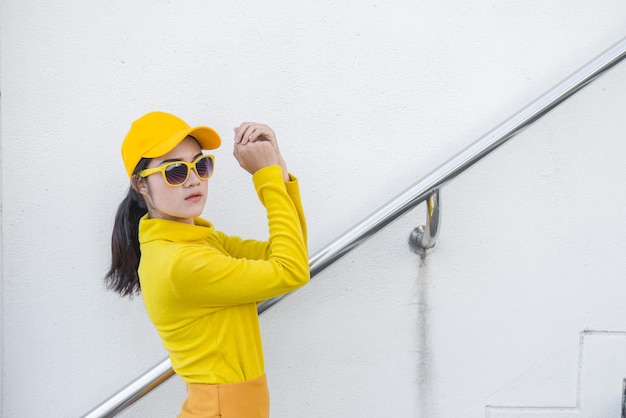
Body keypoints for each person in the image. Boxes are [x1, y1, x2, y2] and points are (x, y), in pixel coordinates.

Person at [105, 111, 310, 418]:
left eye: (201, 165)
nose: (193, 179)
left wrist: (276, 166)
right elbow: (291, 271)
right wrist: (264, 176)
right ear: (141, 185)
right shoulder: (180, 263)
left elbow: (289, 255)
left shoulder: (197, 242)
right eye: (175, 171)